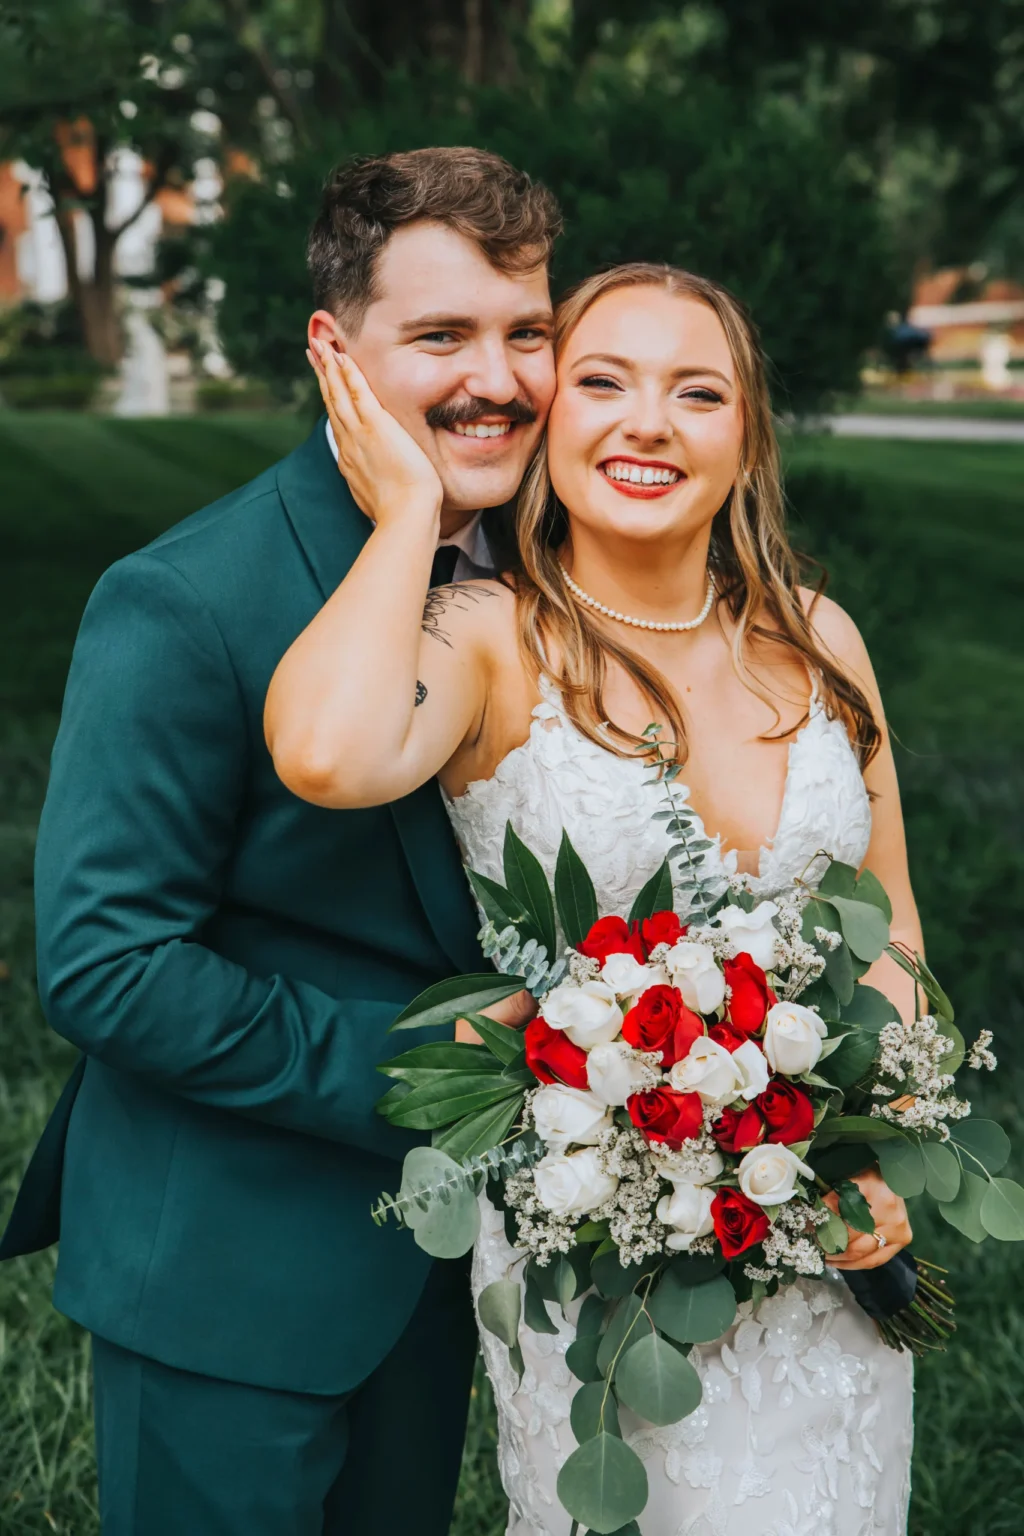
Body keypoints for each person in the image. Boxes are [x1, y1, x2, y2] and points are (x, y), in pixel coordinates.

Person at [266, 262, 919, 1534]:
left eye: (698, 392)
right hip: (602, 1255)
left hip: (824, 1244)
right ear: (550, 418)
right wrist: (410, 512)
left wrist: (880, 1139)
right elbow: (327, 755)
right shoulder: (488, 635)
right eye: (603, 381)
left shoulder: (819, 635)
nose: (647, 423)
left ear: (746, 435)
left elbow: (885, 915)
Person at [0, 146, 560, 1535]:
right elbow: (106, 965)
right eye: (441, 336)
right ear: (335, 349)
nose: (496, 377)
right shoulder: (186, 600)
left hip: (436, 1281)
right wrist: (438, 1074)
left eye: (527, 331)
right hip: (224, 1278)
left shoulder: (549, 578)